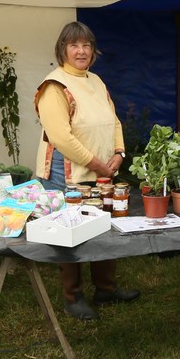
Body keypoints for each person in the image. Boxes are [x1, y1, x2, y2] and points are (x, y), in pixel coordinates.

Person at [34, 21, 140, 320]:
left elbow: (114, 121)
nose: (81, 51)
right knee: (72, 231)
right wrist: (96, 163)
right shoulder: (54, 86)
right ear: (62, 49)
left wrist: (119, 153)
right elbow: (60, 137)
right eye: (74, 45)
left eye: (86, 45)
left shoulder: (96, 81)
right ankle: (73, 296)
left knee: (103, 225)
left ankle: (105, 289)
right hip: (66, 172)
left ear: (93, 51)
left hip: (104, 168)